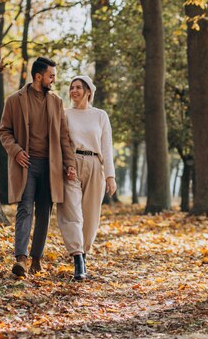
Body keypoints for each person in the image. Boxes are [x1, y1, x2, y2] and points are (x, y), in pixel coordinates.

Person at [0, 57, 77, 277]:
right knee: (25, 209)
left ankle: (36, 259)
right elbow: (4, 131)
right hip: (26, 164)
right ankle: (20, 259)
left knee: (44, 211)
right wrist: (16, 151)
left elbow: (64, 137)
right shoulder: (15, 100)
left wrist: (69, 164)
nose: (54, 80)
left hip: (50, 166)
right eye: (51, 75)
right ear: (38, 76)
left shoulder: (56, 102)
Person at [57, 75, 116, 281]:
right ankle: (77, 258)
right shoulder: (65, 114)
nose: (74, 91)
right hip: (72, 165)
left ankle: (84, 251)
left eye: (78, 87)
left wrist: (110, 176)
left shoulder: (100, 116)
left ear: (88, 91)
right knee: (71, 211)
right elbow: (61, 142)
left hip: (94, 165)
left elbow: (107, 148)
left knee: (90, 216)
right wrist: (67, 164)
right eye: (72, 87)